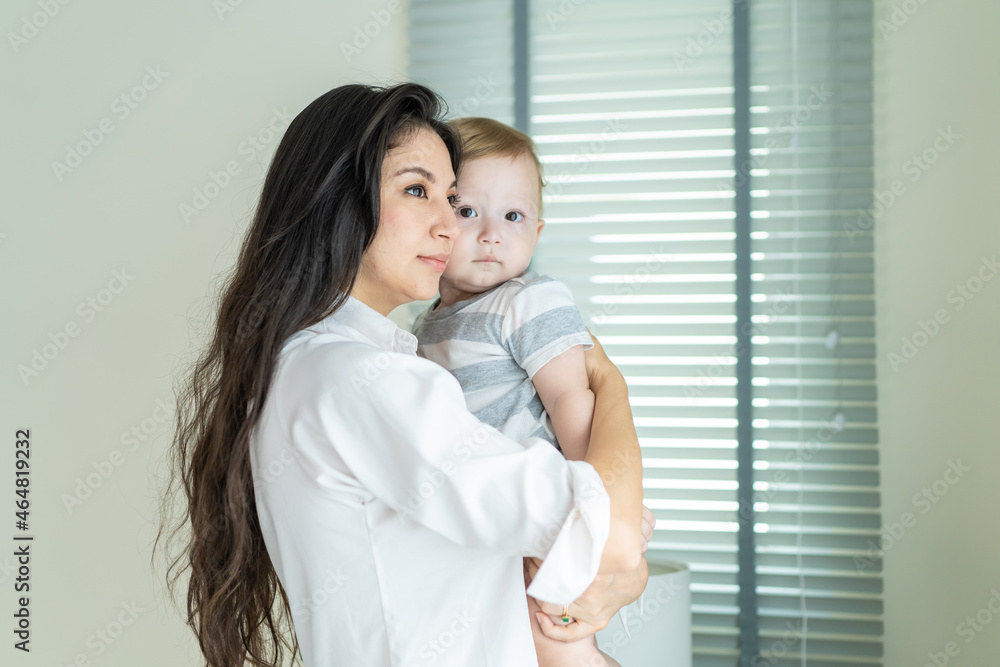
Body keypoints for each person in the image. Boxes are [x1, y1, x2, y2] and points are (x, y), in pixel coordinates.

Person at [156, 82, 647, 667]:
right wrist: (611, 383)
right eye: (418, 190)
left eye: (451, 197)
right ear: (337, 199)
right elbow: (607, 537)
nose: (450, 225)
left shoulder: (320, 363)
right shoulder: (361, 378)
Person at [411, 117, 651, 667]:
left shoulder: (530, 300)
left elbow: (572, 397)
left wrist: (590, 498)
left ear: (537, 232)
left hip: (560, 497)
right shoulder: (428, 324)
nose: (492, 233)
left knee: (556, 642)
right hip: (500, 513)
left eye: (513, 217)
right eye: (469, 211)